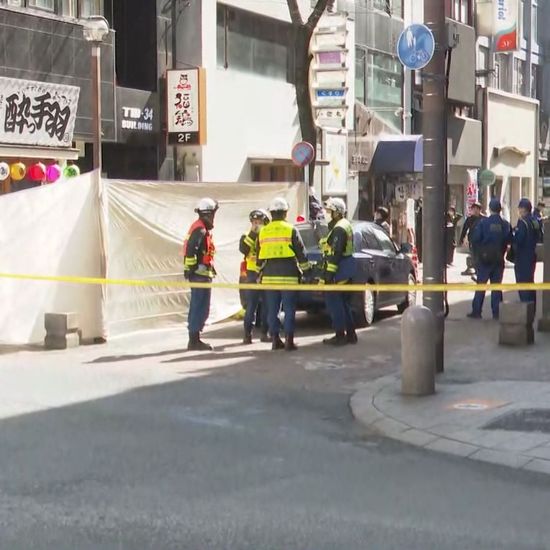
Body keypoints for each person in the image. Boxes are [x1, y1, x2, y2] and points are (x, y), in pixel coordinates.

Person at [257, 197, 311, 351]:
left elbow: (259, 257)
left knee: (272, 310)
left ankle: (275, 340)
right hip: (289, 276)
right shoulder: (290, 229)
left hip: (268, 278)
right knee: (289, 309)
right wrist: (307, 272)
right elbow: (301, 253)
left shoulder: (263, 231)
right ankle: (289, 341)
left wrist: (257, 274)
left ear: (271, 213)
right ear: (285, 212)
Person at [320, 198, 357, 346]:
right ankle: (351, 334)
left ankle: (340, 335)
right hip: (346, 268)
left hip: (339, 270)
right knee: (344, 304)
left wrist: (329, 274)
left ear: (337, 212)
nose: (328, 214)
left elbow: (336, 253)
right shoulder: (343, 225)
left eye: (330, 212)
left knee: (335, 304)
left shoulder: (339, 228)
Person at [183, 197, 219, 350]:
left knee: (200, 306)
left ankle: (195, 338)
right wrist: (191, 269)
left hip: (201, 273)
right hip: (200, 275)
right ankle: (194, 340)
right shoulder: (200, 230)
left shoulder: (199, 228)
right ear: (209, 213)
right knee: (199, 306)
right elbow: (191, 250)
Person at [467, 198, 512, 320]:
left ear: (490, 209)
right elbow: (509, 240)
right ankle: (497, 313)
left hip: (484, 259)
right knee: (496, 287)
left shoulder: (483, 223)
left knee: (481, 285)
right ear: (500, 209)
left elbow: (475, 239)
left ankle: (477, 311)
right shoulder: (505, 224)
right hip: (498, 259)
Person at [239, 209, 270, 344]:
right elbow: (244, 250)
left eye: (259, 222)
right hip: (252, 273)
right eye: (254, 222)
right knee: (251, 305)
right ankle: (247, 335)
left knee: (267, 305)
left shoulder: (268, 235)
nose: (257, 224)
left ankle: (264, 333)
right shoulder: (246, 235)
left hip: (265, 272)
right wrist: (253, 234)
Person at [512, 198, 543, 305]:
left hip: (522, 256)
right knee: (530, 281)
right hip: (532, 255)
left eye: (519, 208)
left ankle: (525, 306)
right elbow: (540, 236)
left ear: (523, 209)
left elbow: (518, 239)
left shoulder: (522, 222)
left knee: (523, 282)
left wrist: (513, 235)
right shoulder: (535, 220)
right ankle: (532, 306)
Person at [459, 202, 484, 276]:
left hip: (482, 242)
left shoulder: (484, 219)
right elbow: (464, 229)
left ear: (480, 210)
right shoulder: (469, 219)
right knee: (473, 255)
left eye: (477, 209)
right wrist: (461, 239)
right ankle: (475, 269)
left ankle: (479, 269)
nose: (475, 210)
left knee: (480, 256)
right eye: (474, 209)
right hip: (472, 241)